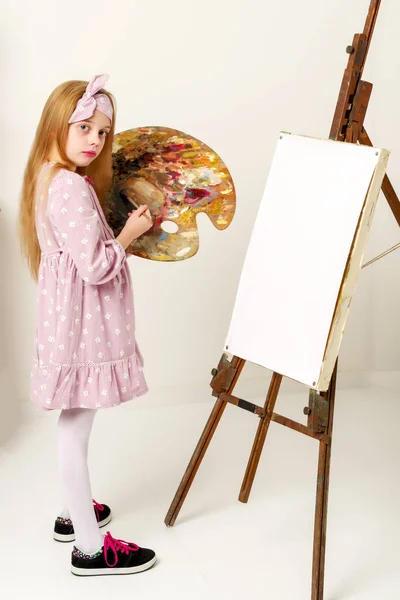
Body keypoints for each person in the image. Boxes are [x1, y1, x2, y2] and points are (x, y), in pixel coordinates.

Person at [18, 73, 156, 576]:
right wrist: (130, 233)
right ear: (58, 125)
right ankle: (89, 548)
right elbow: (96, 266)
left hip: (66, 319)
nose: (94, 142)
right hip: (81, 323)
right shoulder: (70, 187)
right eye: (84, 128)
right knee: (75, 425)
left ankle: (71, 514)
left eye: (102, 133)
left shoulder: (45, 175)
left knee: (76, 420)